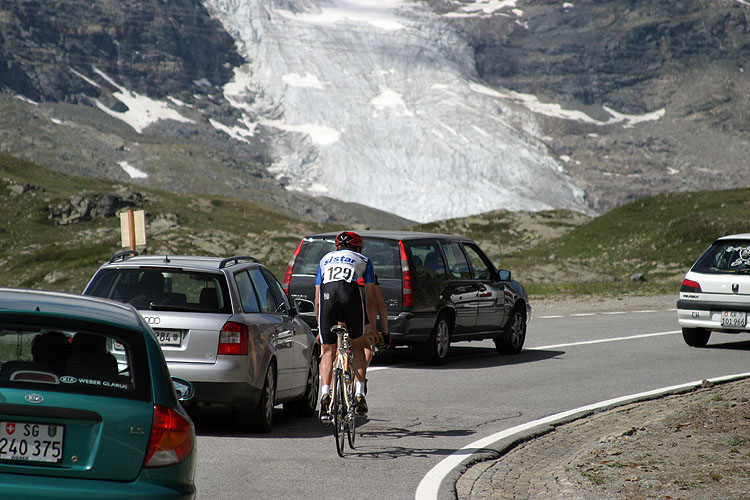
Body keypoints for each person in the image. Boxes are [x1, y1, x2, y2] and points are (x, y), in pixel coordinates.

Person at [316, 231, 379, 421]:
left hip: (327, 297)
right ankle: (360, 393)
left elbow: (317, 299)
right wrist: (372, 326)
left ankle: (325, 394)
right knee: (357, 344)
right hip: (349, 295)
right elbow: (370, 297)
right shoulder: (363, 259)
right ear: (358, 247)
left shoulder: (324, 260)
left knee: (327, 350)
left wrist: (319, 326)